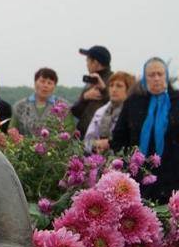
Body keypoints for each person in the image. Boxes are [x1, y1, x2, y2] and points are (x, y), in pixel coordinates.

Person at [111, 57, 179, 202]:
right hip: (138, 175)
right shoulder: (134, 102)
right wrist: (127, 162)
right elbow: (119, 136)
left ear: (166, 76)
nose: (156, 78)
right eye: (151, 75)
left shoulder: (176, 101)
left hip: (172, 175)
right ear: (144, 78)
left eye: (160, 74)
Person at [10, 67, 72, 136]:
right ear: (35, 83)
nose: (45, 85)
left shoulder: (63, 106)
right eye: (42, 81)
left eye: (49, 83)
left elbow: (69, 131)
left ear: (54, 86)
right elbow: (12, 131)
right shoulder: (20, 106)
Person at [83, 71, 135, 154]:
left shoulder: (132, 113)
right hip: (96, 157)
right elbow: (87, 140)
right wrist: (95, 145)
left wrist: (109, 144)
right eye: (111, 85)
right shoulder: (100, 112)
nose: (114, 89)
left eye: (119, 86)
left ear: (129, 90)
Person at [71, 45, 113, 139]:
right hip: (82, 138)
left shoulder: (114, 80)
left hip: (101, 140)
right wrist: (84, 98)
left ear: (95, 63)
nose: (86, 64)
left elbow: (118, 106)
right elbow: (75, 111)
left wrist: (104, 90)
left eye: (88, 61)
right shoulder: (91, 81)